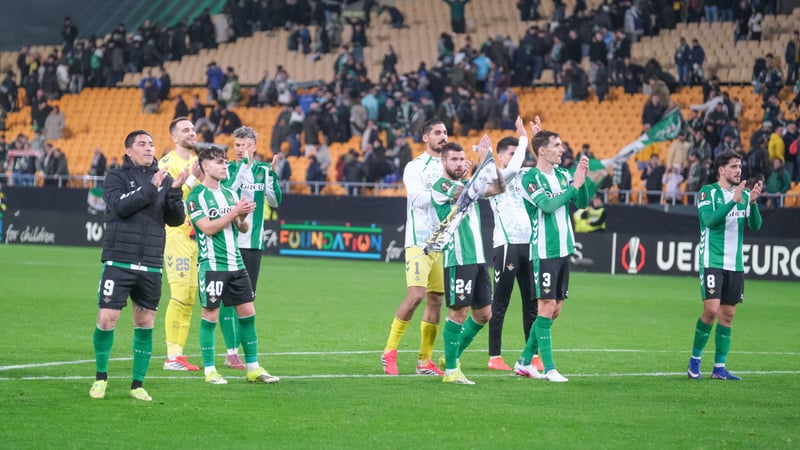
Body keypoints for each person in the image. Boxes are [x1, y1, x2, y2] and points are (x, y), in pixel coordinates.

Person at [89, 129, 189, 401]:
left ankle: (137, 384)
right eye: (142, 144)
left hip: (151, 263)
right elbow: (120, 207)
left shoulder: (164, 179)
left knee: (144, 322)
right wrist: (151, 187)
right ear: (128, 151)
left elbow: (176, 220)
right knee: (107, 319)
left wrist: (175, 192)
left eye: (151, 144)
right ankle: (100, 379)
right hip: (119, 260)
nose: (148, 148)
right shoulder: (116, 177)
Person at [187, 146, 280, 385]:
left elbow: (243, 228)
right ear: (205, 166)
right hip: (212, 265)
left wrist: (242, 216)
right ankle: (210, 371)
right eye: (219, 162)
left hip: (236, 264)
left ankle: (253, 368)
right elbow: (207, 228)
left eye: (225, 162)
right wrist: (234, 212)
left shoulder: (230, 193)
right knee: (210, 315)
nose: (224, 166)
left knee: (248, 314)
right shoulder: (196, 196)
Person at [513, 129, 590, 383]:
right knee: (545, 307)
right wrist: (574, 186)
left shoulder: (563, 175)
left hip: (564, 249)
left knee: (554, 310)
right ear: (542, 150)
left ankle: (524, 361)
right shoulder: (530, 178)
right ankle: (549, 368)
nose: (562, 149)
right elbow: (546, 206)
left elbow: (581, 203)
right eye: (557, 145)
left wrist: (582, 180)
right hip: (544, 251)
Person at [432, 137, 505, 384]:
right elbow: (465, 194)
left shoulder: (468, 181)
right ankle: (451, 371)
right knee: (458, 312)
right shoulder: (441, 185)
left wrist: (490, 160)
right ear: (443, 162)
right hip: (458, 256)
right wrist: (482, 165)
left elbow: (499, 187)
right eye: (454, 159)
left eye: (462, 158)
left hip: (478, 257)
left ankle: (450, 356)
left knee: (484, 313)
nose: (459, 163)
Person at [380, 119, 448, 377]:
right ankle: (389, 352)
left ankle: (424, 361)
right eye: (437, 133)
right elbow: (418, 199)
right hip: (419, 241)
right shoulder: (415, 166)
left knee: (436, 299)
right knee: (416, 295)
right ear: (425, 138)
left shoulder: (449, 166)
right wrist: (448, 192)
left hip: (441, 241)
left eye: (445, 132)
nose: (443, 137)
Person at [687, 150, 763, 381]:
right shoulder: (708, 192)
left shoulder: (744, 193)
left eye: (740, 166)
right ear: (721, 170)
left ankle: (719, 367)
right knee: (711, 311)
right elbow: (709, 221)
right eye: (733, 166)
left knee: (727, 316)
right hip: (712, 260)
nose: (739, 170)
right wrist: (733, 201)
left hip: (735, 264)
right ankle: (695, 360)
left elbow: (755, 226)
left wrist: (753, 204)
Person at [219, 126, 283, 368]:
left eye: (245, 145)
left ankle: (240, 351)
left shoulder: (264, 171)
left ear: (254, 146)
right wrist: (244, 167)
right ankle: (231, 352)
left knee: (245, 299)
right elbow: (228, 193)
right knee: (227, 300)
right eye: (237, 145)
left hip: (252, 245)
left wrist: (273, 175)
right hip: (228, 242)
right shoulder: (227, 169)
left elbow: (275, 201)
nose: (240, 149)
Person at [486, 117, 541, 372]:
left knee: (532, 303)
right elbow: (517, 163)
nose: (517, 157)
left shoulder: (524, 175)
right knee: (501, 303)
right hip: (507, 245)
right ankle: (494, 356)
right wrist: (523, 137)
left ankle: (533, 354)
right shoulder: (495, 176)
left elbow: (543, 169)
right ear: (500, 156)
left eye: (517, 152)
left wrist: (536, 140)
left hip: (529, 245)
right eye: (511, 152)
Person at [159, 117, 203, 371]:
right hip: (175, 234)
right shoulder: (167, 163)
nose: (192, 133)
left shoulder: (198, 162)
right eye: (186, 130)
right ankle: (171, 356)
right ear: (174, 137)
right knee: (179, 294)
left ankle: (178, 354)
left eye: (193, 129)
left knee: (189, 296)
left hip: (196, 236)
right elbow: (168, 199)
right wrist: (192, 179)